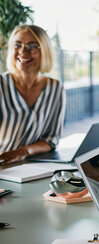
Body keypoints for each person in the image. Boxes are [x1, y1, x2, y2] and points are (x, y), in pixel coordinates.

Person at [0, 25, 66, 165]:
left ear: (45, 51)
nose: (23, 51)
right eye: (17, 45)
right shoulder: (1, 86)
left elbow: (51, 139)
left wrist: (24, 151)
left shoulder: (55, 89)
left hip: (32, 165)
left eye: (32, 46)